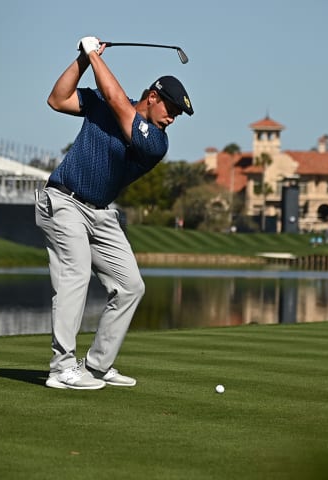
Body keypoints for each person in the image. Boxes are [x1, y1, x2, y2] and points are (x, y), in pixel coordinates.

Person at [35, 36, 193, 390]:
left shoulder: (155, 142)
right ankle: (61, 368)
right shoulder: (101, 105)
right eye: (170, 108)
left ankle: (96, 366)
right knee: (75, 276)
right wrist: (81, 59)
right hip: (63, 201)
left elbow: (117, 101)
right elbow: (57, 99)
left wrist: (93, 54)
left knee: (130, 286)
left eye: (178, 114)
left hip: (101, 214)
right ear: (152, 97)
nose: (172, 117)